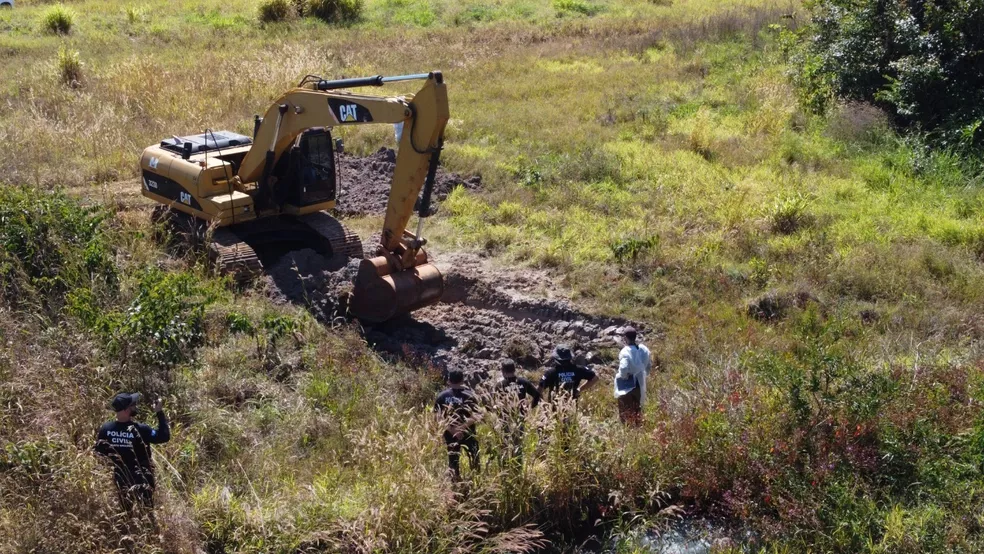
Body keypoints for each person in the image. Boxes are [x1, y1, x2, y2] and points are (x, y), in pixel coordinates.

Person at [94, 393, 170, 513]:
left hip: (120, 476)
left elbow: (99, 454)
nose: (135, 406)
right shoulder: (141, 429)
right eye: (133, 405)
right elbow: (164, 436)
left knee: (126, 512)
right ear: (125, 410)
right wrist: (159, 412)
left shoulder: (106, 429)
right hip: (143, 477)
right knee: (147, 512)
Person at [434, 370, 481, 480]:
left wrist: (453, 430)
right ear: (463, 380)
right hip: (469, 432)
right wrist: (462, 427)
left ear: (449, 380)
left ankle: (455, 486)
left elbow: (438, 417)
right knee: (474, 458)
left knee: (453, 460)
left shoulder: (442, 396)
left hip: (450, 434)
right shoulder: (470, 395)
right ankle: (476, 483)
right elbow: (477, 415)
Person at [494, 359, 541, 461]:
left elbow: (495, 403)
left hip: (505, 418)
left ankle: (505, 465)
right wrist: (529, 408)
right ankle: (517, 465)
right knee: (518, 443)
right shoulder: (523, 382)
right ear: (514, 369)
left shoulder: (500, 385)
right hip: (520, 416)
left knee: (505, 442)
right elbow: (537, 395)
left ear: (503, 371)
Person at [614, 326, 652, 426]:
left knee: (625, 411)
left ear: (625, 338)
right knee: (637, 409)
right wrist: (644, 375)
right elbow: (648, 365)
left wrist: (623, 376)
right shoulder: (644, 349)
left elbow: (623, 368)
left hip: (627, 385)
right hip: (640, 383)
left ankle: (628, 431)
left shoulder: (625, 351)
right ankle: (638, 430)